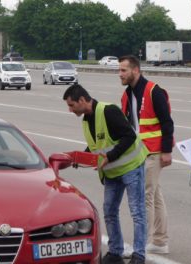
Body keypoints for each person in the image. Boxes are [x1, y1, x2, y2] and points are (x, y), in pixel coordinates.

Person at [63, 84, 149, 264]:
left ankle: (139, 255)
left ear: (82, 100)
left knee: (137, 212)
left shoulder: (108, 111)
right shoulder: (86, 119)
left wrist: (109, 157)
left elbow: (129, 136)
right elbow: (96, 146)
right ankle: (115, 252)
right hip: (111, 172)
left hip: (131, 166)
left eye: (71, 105)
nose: (70, 110)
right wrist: (84, 157)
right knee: (109, 211)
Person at [118, 55, 174, 254]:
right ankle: (160, 241)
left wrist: (167, 151)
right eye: (119, 70)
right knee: (155, 195)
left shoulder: (153, 91)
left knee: (145, 196)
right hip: (139, 153)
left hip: (154, 151)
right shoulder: (127, 95)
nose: (120, 74)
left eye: (123, 70)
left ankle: (140, 244)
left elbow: (167, 123)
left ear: (135, 70)